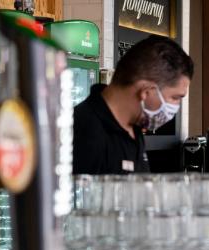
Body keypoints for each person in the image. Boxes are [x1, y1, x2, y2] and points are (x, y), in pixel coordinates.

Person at [73, 35, 194, 174]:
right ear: (146, 91)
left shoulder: (135, 126)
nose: (176, 106)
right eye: (175, 97)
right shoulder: (82, 133)